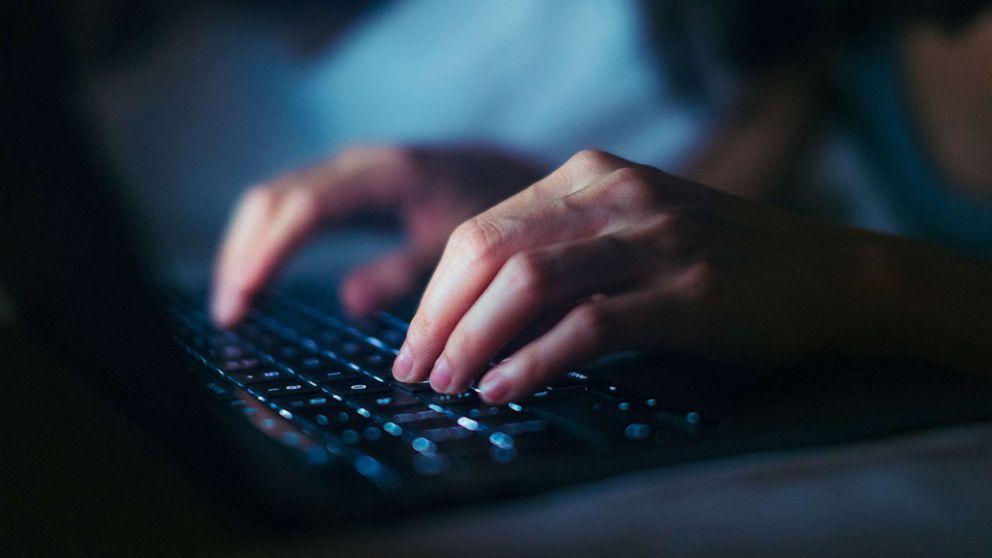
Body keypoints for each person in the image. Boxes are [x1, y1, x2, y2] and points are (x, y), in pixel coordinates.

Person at [210, 3, 992, 405]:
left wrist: (861, 282)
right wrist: (541, 210)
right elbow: (736, 219)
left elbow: (809, 266)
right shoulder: (835, 34)